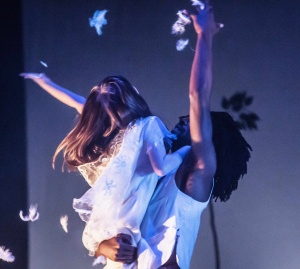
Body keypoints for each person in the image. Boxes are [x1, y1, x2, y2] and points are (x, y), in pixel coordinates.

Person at [93, 4, 251, 269]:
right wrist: (102, 246)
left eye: (189, 123)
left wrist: (204, 36)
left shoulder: (199, 173)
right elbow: (119, 220)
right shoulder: (158, 172)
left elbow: (197, 98)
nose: (180, 124)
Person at [21, 76, 189, 269]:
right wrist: (184, 152)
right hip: (128, 219)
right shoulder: (147, 126)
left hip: (112, 219)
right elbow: (160, 168)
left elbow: (77, 102)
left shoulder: (120, 140)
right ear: (130, 97)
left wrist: (44, 81)